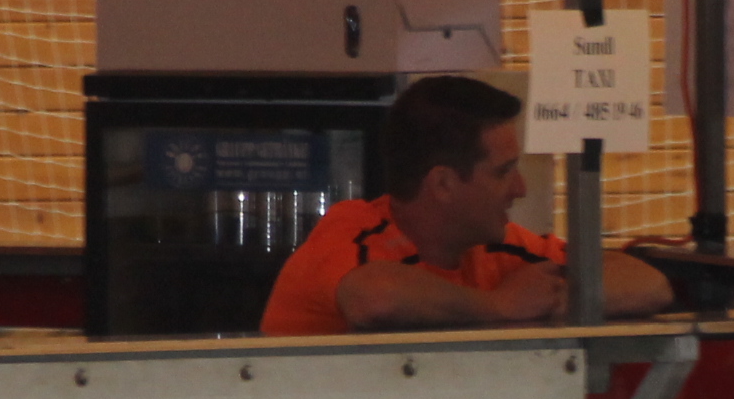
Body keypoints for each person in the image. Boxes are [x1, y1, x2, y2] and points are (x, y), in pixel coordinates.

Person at [260, 75, 674, 334]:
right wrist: (499, 306)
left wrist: (552, 297)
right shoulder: (354, 228)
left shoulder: (499, 248)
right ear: (443, 184)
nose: (520, 189)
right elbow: (376, 298)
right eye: (503, 172)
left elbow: (648, 284)